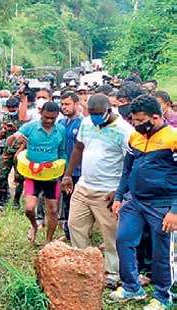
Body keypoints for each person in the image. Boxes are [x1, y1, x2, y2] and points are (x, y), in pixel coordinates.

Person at [110, 95, 177, 310]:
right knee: (123, 239)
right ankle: (132, 287)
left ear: (155, 117)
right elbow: (127, 169)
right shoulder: (135, 138)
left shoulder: (172, 139)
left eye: (140, 120)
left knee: (162, 251)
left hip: (162, 203)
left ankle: (163, 296)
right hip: (135, 201)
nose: (135, 124)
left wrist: (175, 210)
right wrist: (119, 197)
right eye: (134, 120)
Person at [62, 94, 134, 289]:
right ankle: (84, 266)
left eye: (98, 114)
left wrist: (120, 191)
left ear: (109, 110)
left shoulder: (124, 131)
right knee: (75, 225)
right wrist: (68, 175)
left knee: (111, 233)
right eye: (91, 113)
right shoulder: (87, 123)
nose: (94, 117)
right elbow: (78, 147)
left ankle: (113, 272)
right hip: (84, 186)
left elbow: (131, 163)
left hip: (108, 191)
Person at [9, 101, 66, 243]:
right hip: (32, 175)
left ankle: (48, 241)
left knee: (53, 210)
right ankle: (34, 226)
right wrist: (15, 137)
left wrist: (63, 171)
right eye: (46, 117)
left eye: (52, 118)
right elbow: (10, 140)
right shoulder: (31, 127)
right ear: (40, 113)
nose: (49, 121)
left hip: (52, 176)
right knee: (29, 208)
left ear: (57, 116)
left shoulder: (61, 130)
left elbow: (63, 152)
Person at [57, 91, 83, 240]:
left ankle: (78, 233)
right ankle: (68, 233)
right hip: (63, 169)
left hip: (78, 170)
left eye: (67, 104)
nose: (64, 107)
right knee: (66, 200)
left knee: (76, 202)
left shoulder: (82, 123)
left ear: (76, 104)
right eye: (62, 104)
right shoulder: (61, 123)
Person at [0, 97, 25, 207]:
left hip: (20, 150)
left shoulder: (22, 117)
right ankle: (3, 199)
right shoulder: (5, 117)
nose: (12, 110)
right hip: (7, 150)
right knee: (2, 174)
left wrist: (15, 128)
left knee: (19, 177)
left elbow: (26, 133)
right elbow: (1, 134)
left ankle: (16, 201)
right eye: (10, 108)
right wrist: (3, 131)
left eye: (14, 108)